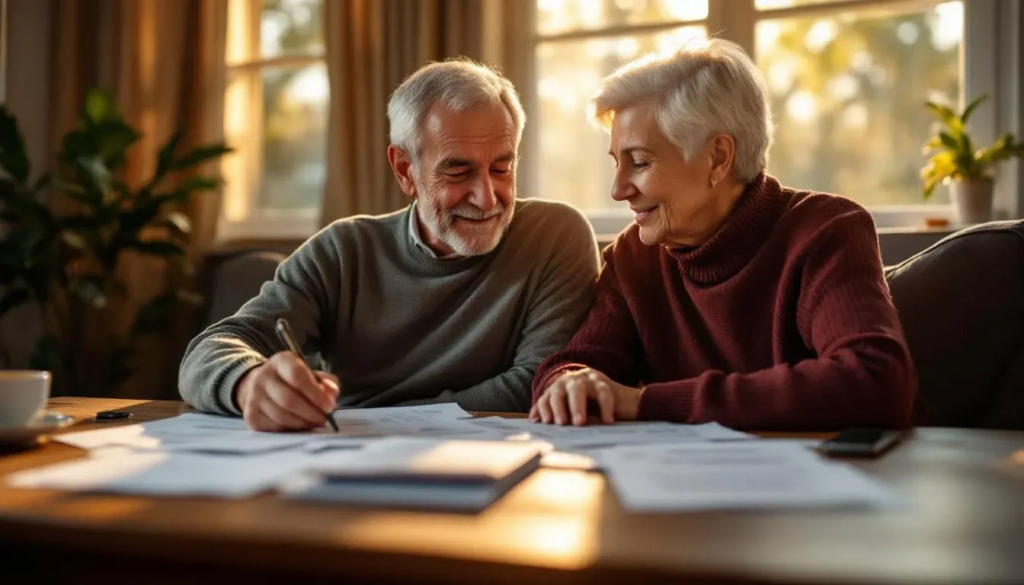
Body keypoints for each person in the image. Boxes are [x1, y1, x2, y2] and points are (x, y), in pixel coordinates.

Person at [180, 60, 599, 431]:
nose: (487, 197)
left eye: (502, 167)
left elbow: (540, 380)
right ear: (405, 169)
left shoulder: (554, 236)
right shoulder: (343, 251)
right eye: (458, 172)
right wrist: (248, 382)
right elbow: (211, 349)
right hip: (346, 463)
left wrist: (372, 419)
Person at [530, 39, 920, 431]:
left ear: (718, 157)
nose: (618, 190)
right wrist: (569, 383)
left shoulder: (824, 230)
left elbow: (875, 382)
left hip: (830, 483)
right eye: (617, 163)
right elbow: (573, 363)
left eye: (641, 162)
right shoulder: (634, 257)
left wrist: (648, 401)